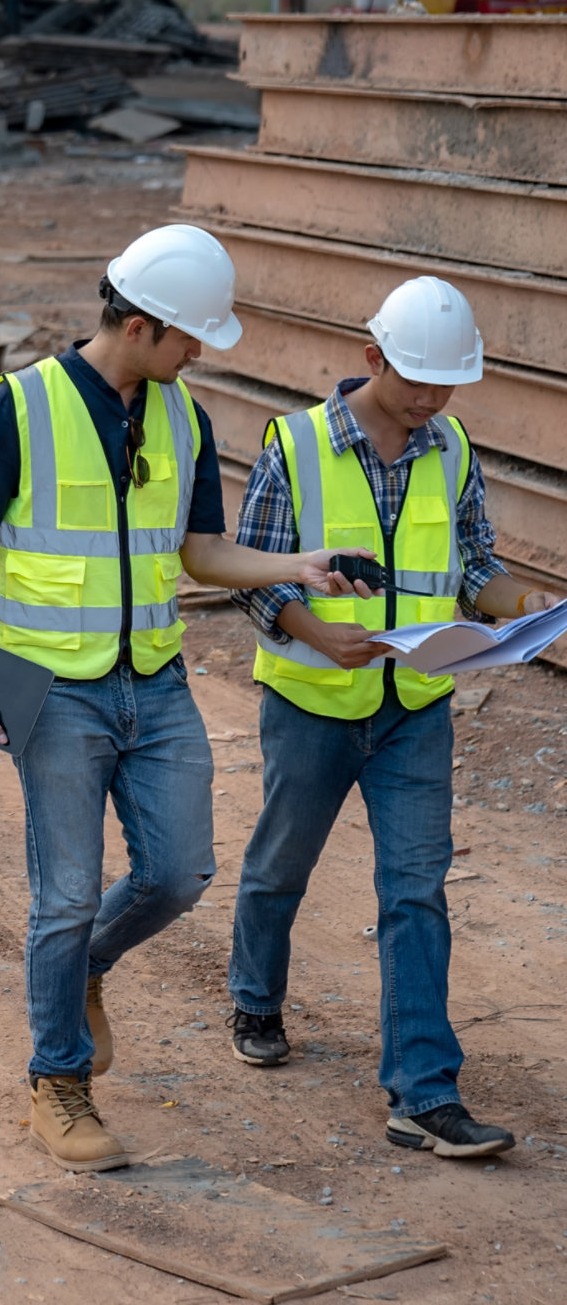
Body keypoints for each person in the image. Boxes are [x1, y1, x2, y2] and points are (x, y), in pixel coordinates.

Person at [0, 223, 372, 1172]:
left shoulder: (180, 415)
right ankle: (60, 1080)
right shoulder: (24, 406)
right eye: (189, 338)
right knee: (62, 894)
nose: (199, 354)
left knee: (180, 873)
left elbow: (199, 553)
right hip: (44, 685)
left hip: (155, 680)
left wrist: (304, 562)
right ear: (138, 326)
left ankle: (86, 966)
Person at [227, 275, 558, 1159]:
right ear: (372, 358)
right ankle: (255, 996)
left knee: (415, 891)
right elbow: (255, 574)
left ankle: (423, 1093)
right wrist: (314, 631)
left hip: (415, 706)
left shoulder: (449, 446)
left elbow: (472, 561)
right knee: (279, 867)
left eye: (447, 384)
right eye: (417, 380)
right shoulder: (294, 445)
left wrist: (520, 602)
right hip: (312, 703)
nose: (431, 399)